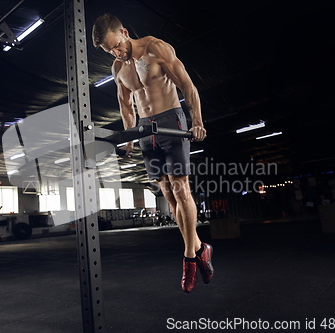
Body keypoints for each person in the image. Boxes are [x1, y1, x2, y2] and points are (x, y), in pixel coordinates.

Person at [92, 14, 214, 293]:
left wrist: (197, 120)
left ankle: (189, 258)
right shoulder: (117, 68)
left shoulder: (157, 48)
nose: (116, 53)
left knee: (181, 190)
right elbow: (126, 106)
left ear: (124, 32)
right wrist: (130, 140)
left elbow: (187, 85)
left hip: (172, 120)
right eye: (109, 50)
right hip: (145, 130)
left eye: (117, 46)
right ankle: (200, 247)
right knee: (168, 194)